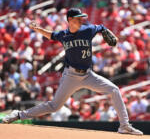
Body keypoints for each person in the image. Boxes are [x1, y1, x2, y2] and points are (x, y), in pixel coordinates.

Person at [2, 8, 143, 135]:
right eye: (78, 18)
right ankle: (19, 114)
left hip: (88, 75)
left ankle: (124, 125)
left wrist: (108, 32)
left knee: (114, 90)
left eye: (82, 18)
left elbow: (101, 28)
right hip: (71, 76)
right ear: (70, 20)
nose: (82, 20)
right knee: (54, 106)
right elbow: (51, 35)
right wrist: (37, 29)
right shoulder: (64, 34)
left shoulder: (87, 30)